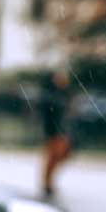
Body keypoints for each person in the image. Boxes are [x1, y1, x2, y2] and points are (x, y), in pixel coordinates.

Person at [39, 67, 75, 198]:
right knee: (53, 157)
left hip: (63, 131)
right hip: (54, 131)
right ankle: (47, 183)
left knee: (61, 156)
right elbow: (48, 114)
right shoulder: (51, 95)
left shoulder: (66, 94)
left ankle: (48, 182)